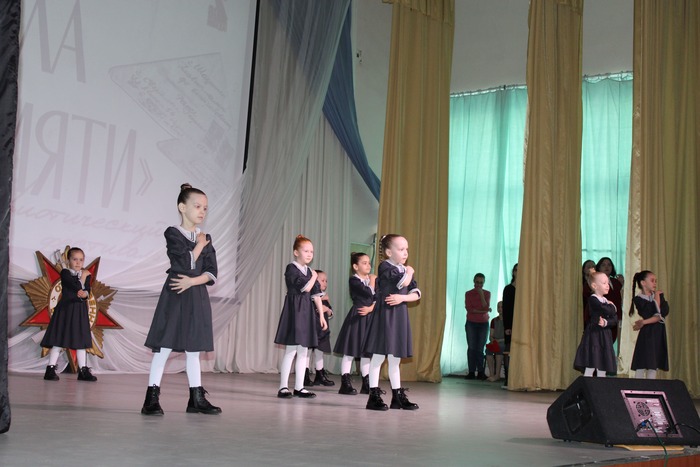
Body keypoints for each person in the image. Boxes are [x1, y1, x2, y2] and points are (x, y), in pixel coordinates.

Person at [142, 183, 221, 416]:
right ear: (182, 207)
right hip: (175, 295)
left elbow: (212, 272)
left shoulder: (206, 237)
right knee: (164, 347)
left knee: (193, 349)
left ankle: (196, 399)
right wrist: (199, 245)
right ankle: (151, 399)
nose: (202, 211)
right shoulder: (173, 233)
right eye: (197, 206)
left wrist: (192, 282)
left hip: (195, 295)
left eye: (205, 208)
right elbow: (184, 263)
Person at [364, 235, 421, 411]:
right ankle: (373, 396)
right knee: (379, 356)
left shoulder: (404, 269)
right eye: (401, 249)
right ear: (389, 252)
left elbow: (416, 293)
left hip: (399, 316)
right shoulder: (385, 267)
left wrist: (402, 298)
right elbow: (402, 283)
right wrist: (409, 272)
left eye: (407, 249)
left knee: (395, 358)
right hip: (385, 316)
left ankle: (397, 397)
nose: (405, 253)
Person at [273, 235, 327, 399]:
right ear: (296, 252)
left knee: (304, 351)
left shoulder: (310, 272)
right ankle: (283, 387)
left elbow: (316, 295)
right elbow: (305, 288)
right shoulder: (292, 268)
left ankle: (299, 387)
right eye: (306, 251)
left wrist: (321, 316)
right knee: (291, 350)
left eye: (311, 251)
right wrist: (314, 277)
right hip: (295, 311)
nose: (309, 254)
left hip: (306, 312)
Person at [40, 247, 97, 382]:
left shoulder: (86, 274)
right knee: (59, 339)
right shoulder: (65, 272)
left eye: (81, 260)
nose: (78, 262)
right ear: (68, 260)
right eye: (75, 259)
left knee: (80, 340)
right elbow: (75, 286)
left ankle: (83, 370)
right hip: (66, 310)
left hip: (79, 310)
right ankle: (50, 369)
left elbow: (86, 290)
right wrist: (83, 278)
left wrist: (85, 294)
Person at [333, 252, 376, 396]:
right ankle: (345, 383)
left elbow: (377, 298)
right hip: (357, 317)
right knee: (350, 350)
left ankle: (366, 383)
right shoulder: (354, 280)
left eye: (369, 263)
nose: (368, 265)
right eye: (364, 263)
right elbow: (368, 293)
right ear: (355, 266)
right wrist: (372, 281)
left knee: (366, 352)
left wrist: (371, 308)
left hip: (369, 317)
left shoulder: (370, 280)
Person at [573, 271, 618, 377]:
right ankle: (586, 384)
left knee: (603, 363)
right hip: (594, 335)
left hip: (605, 335)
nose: (607, 285)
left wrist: (606, 322)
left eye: (608, 283)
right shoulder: (593, 299)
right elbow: (605, 309)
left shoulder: (606, 301)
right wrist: (613, 307)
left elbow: (615, 319)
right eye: (604, 283)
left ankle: (600, 385)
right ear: (594, 286)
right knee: (592, 361)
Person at [629, 270, 669, 379]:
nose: (655, 283)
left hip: (658, 332)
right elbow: (652, 312)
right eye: (652, 280)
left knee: (654, 364)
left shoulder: (659, 295)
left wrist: (643, 322)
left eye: (656, 281)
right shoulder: (638, 299)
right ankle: (637, 386)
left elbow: (662, 313)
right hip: (647, 333)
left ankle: (651, 387)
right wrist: (657, 299)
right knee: (642, 362)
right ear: (643, 283)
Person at [306, 270, 335, 387]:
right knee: (307, 352)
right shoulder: (309, 296)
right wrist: (318, 306)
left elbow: (330, 312)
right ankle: (305, 375)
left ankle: (320, 375)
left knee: (320, 351)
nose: (325, 283)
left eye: (326, 281)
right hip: (311, 328)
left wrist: (328, 310)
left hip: (322, 329)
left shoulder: (325, 296)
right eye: (322, 280)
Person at [464, 273, 491, 380]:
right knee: (471, 348)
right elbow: (469, 309)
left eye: (481, 283)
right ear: (473, 282)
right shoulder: (468, 294)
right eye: (477, 282)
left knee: (480, 348)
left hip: (483, 324)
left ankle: (480, 372)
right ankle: (471, 372)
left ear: (483, 283)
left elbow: (486, 306)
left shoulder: (487, 293)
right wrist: (483, 311)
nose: (479, 285)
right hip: (471, 323)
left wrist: (481, 295)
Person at [595, 257, 624, 342]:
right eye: (603, 265)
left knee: (614, 339)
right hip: (604, 316)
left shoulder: (615, 282)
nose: (606, 267)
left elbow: (621, 298)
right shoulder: (596, 282)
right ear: (599, 267)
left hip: (617, 315)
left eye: (609, 265)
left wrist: (622, 283)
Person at [485, 301, 505, 382]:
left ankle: (497, 375)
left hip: (503, 342)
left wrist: (499, 340)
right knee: (488, 349)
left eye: (501, 307)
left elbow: (509, 337)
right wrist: (492, 340)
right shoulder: (494, 321)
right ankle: (491, 374)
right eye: (498, 307)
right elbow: (491, 335)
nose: (500, 309)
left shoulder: (509, 321)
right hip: (495, 341)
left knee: (500, 348)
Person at [502, 264, 517, 352]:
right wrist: (507, 326)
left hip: (523, 322)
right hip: (511, 322)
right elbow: (505, 309)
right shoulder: (508, 289)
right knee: (510, 349)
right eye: (516, 270)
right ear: (513, 272)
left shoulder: (526, 289)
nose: (518, 272)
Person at [581, 259, 595, 328]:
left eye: (593, 267)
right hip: (583, 308)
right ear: (583, 270)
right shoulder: (580, 281)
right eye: (589, 267)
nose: (591, 269)